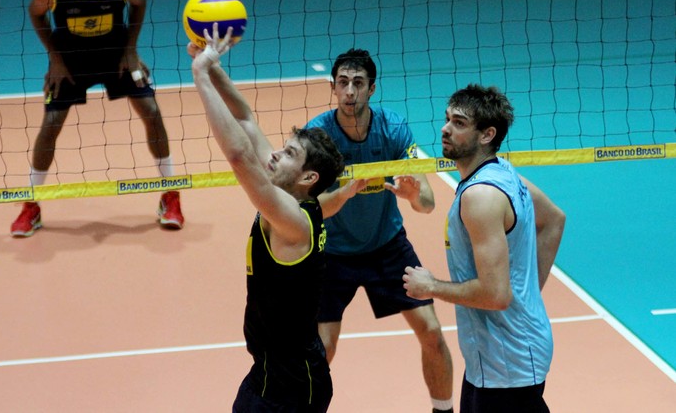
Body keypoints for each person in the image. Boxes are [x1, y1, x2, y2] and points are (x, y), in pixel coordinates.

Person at [190, 25, 345, 412]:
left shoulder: (294, 222)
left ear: (309, 178)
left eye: (289, 153)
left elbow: (241, 157)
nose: (275, 154)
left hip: (293, 384)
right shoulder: (288, 192)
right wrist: (210, 67)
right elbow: (244, 119)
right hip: (267, 371)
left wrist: (199, 79)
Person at [305, 48, 454, 413]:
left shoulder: (394, 129)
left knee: (432, 333)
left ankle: (444, 410)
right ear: (334, 87)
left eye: (358, 83)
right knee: (322, 349)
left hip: (387, 247)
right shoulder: (318, 136)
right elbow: (309, 210)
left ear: (372, 88)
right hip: (333, 253)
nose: (350, 91)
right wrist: (347, 191)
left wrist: (413, 193)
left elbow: (429, 204)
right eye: (343, 83)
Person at [403, 84, 566, 413]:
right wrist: (527, 295)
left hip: (508, 365)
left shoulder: (481, 196)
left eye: (459, 123)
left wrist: (431, 287)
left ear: (487, 134)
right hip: (496, 358)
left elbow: (496, 295)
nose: (445, 128)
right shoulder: (502, 171)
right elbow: (553, 220)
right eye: (447, 118)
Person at [11, 0, 184, 237]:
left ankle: (171, 196)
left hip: (115, 54)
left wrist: (131, 49)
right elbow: (36, 13)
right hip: (71, 58)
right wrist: (55, 59)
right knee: (51, 123)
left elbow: (140, 2)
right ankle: (30, 205)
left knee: (151, 111)